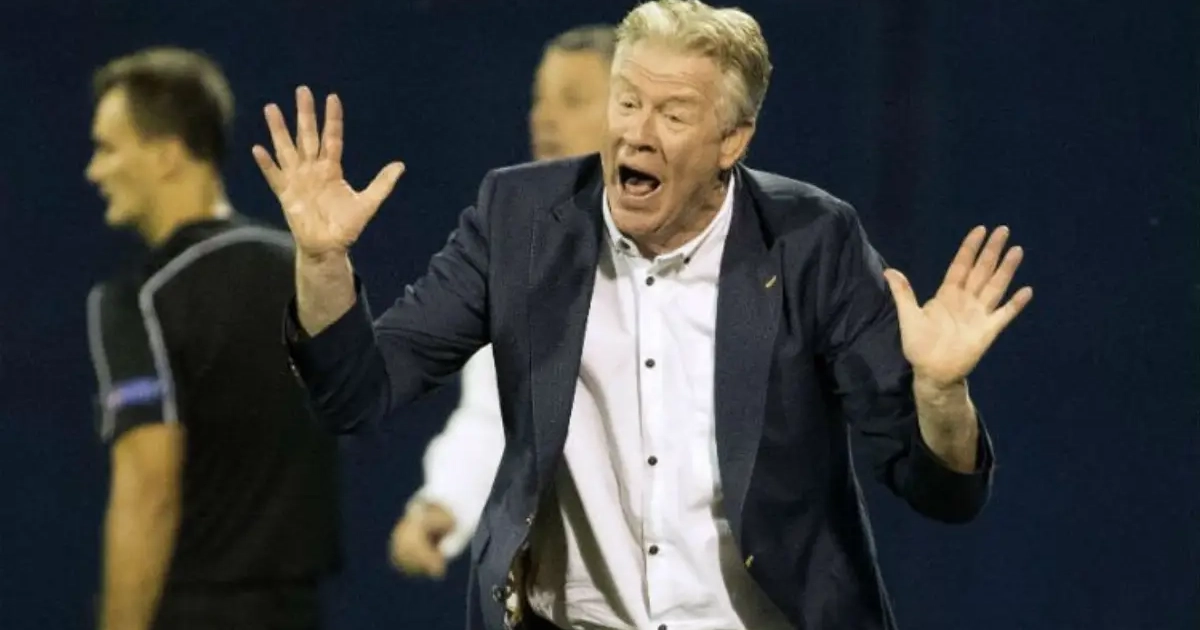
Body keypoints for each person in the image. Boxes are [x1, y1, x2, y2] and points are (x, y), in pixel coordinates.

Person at [254, 1, 1034, 628]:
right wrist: (322, 262)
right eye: (626, 101)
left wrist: (940, 394)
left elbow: (940, 491)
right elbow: (356, 393)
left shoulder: (811, 241)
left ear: (732, 140)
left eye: (673, 113)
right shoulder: (520, 219)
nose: (636, 131)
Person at [84, 47, 339, 630]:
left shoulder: (139, 300)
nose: (94, 171)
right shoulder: (303, 270)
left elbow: (148, 493)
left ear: (167, 154)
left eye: (108, 148)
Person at [388, 23, 617, 580]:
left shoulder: (712, 251)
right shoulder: (524, 257)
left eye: (573, 100)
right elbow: (495, 416)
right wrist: (442, 505)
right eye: (539, 99)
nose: (544, 118)